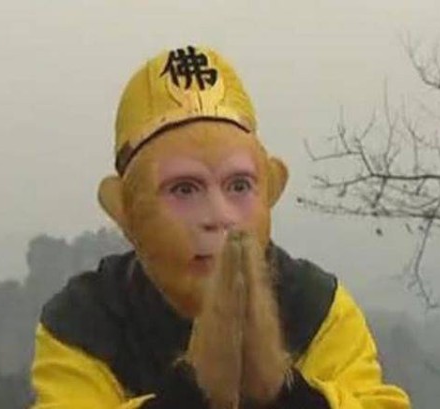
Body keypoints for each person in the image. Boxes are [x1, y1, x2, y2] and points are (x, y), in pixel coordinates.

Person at [30, 45, 411, 409]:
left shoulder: (317, 309)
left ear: (271, 191)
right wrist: (190, 393)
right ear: (126, 212)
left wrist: (287, 393)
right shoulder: (85, 324)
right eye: (184, 189)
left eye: (239, 186)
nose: (220, 216)